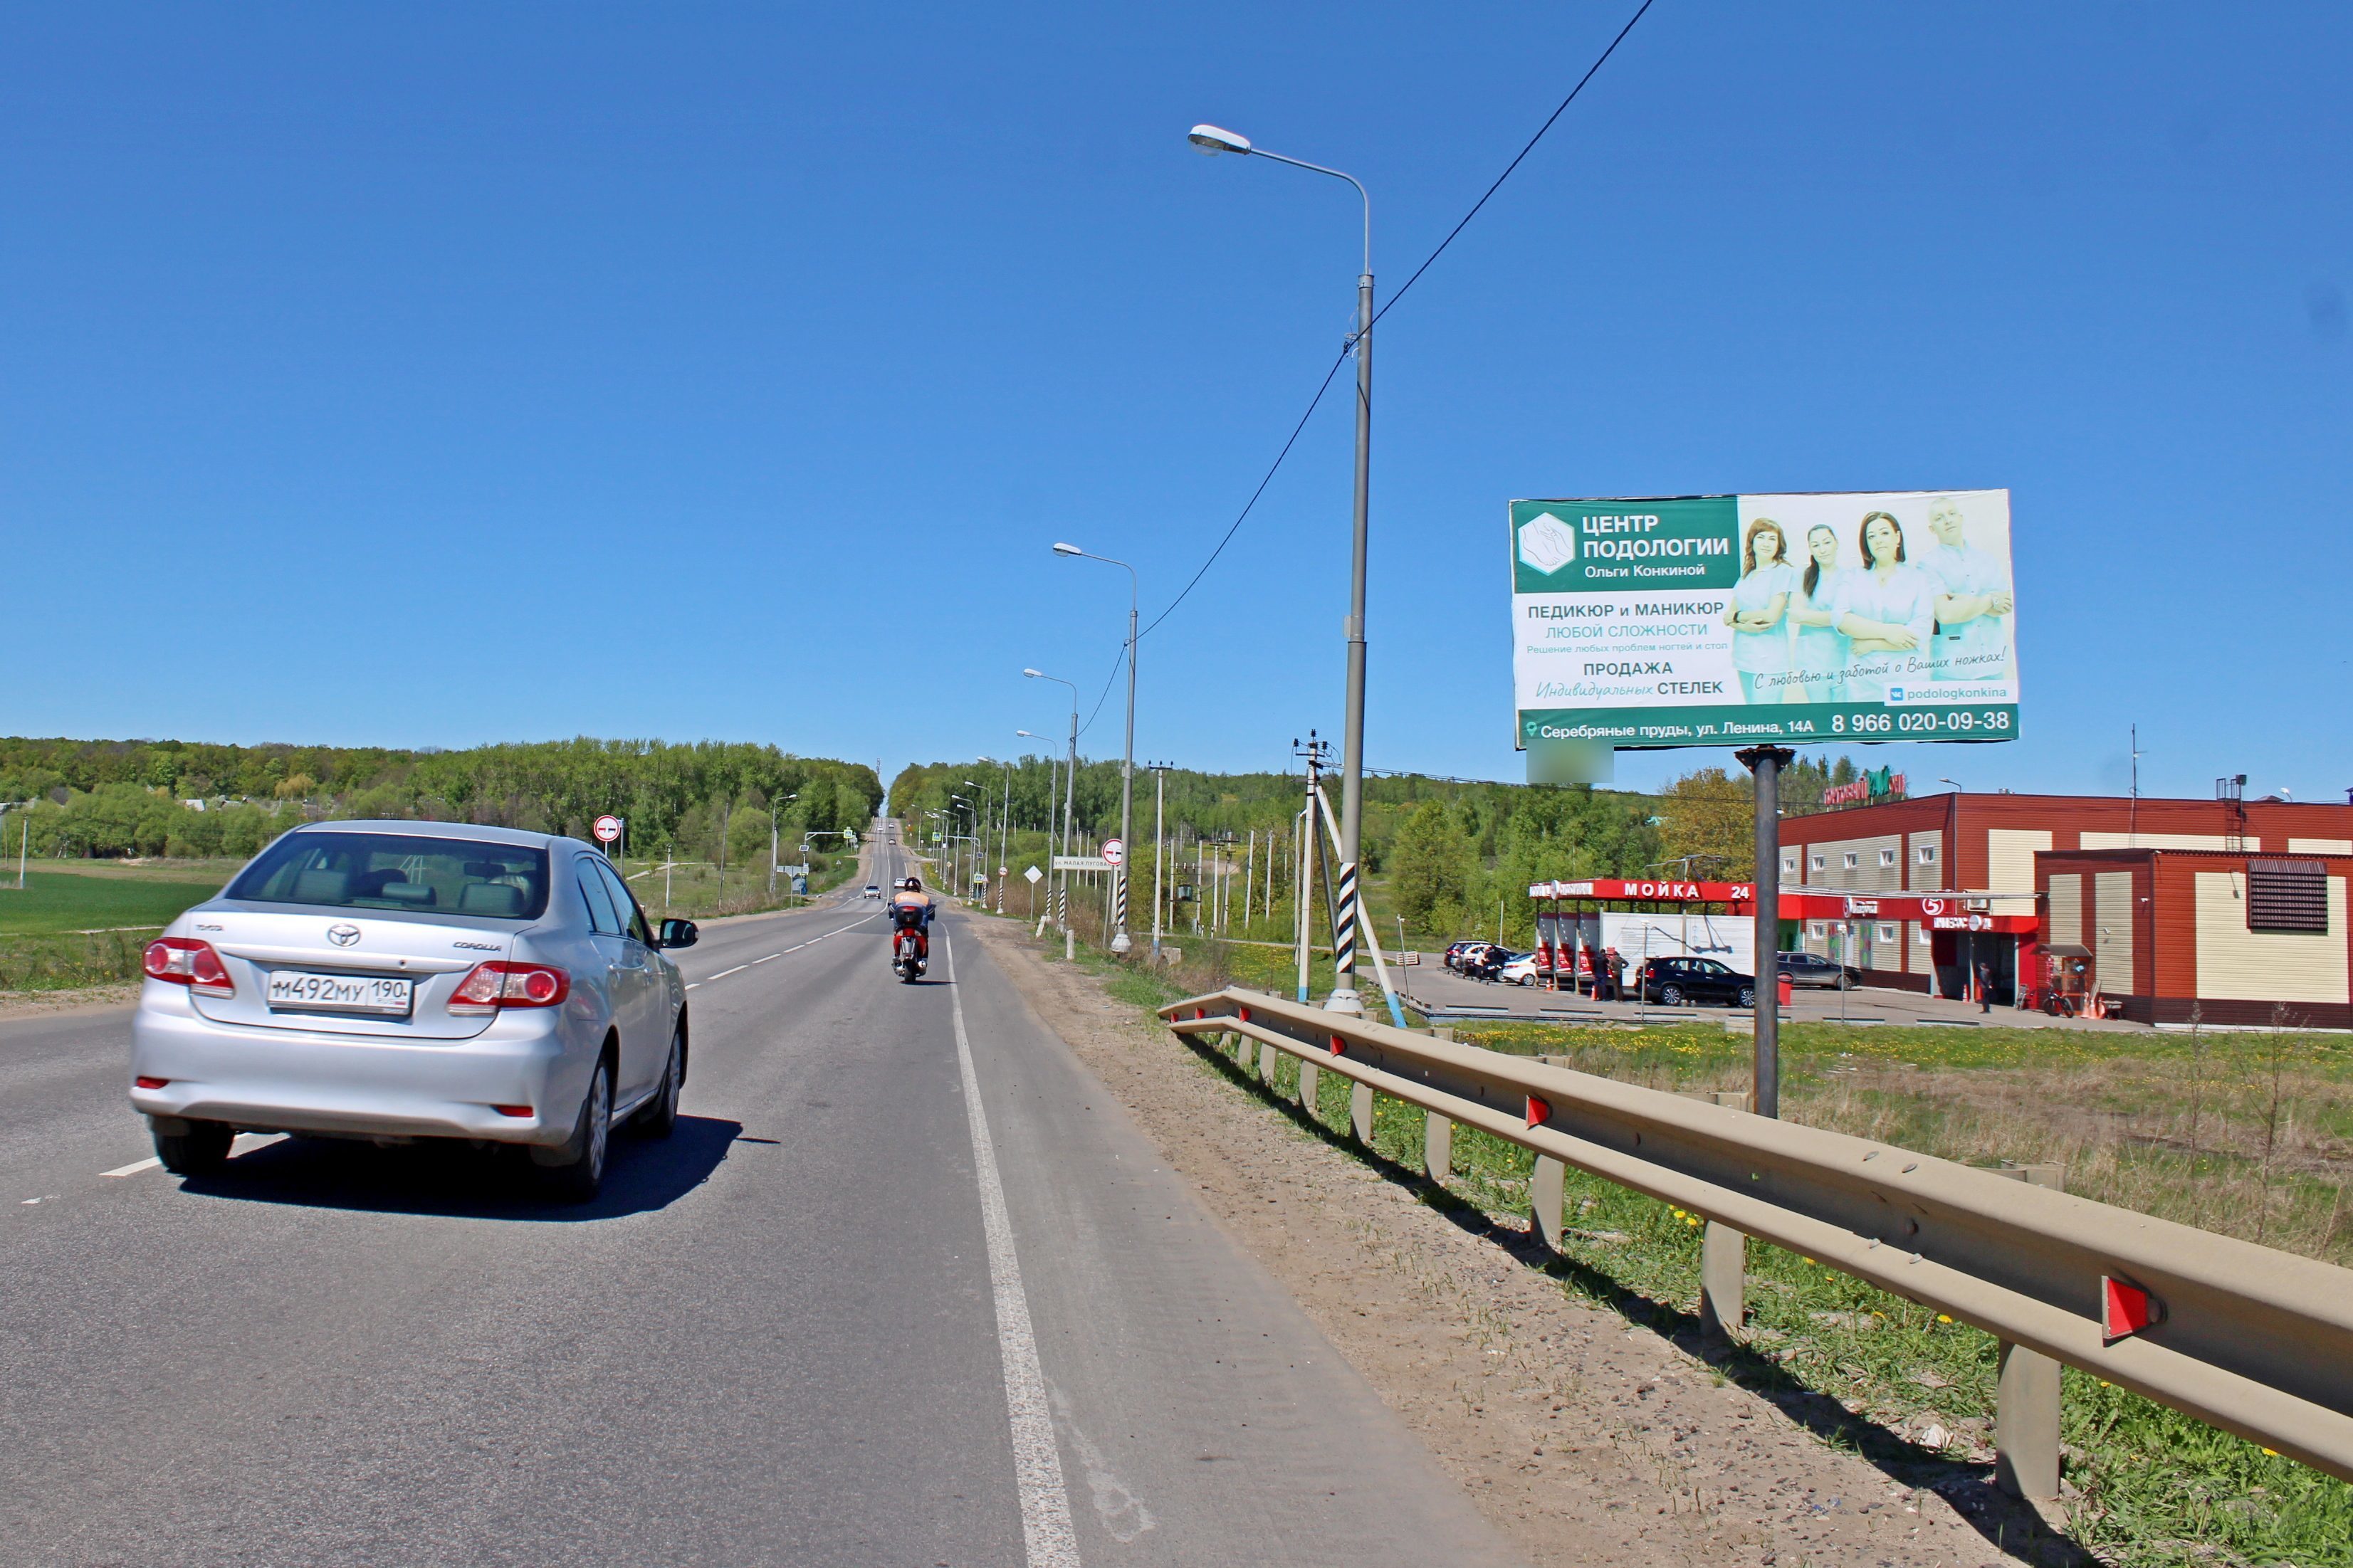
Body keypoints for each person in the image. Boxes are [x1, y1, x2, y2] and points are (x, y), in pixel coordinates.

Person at [1832, 511, 1937, 703]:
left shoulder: (1918, 578)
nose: (1878, 540)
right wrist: (1889, 631)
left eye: (1884, 533)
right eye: (1871, 536)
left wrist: (1871, 643)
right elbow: (1841, 619)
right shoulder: (1853, 577)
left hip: (1907, 679)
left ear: (1897, 538)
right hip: (1862, 681)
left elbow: (1920, 633)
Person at [1920, 496, 2014, 685]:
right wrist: (1989, 600)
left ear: (1961, 518)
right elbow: (1946, 614)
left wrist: (1966, 603)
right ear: (1932, 529)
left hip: (1993, 667)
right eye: (1939, 518)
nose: (1947, 520)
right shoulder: (1927, 565)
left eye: (1951, 514)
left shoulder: (1987, 560)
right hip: (1952, 670)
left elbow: (2006, 605)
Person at [1723, 517, 1797, 704]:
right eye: (1761, 537)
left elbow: (1772, 615)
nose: (1766, 543)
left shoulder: (1783, 572)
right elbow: (1726, 617)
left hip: (1770, 660)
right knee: (1752, 715)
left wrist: (1738, 618)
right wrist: (1745, 626)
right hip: (1744, 656)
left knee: (1767, 716)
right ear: (1752, 541)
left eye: (1772, 539)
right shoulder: (1746, 576)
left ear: (1779, 545)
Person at [1786, 522, 1850, 705]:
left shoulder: (1850, 576)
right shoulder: (1803, 575)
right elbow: (1794, 615)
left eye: (1827, 542)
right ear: (1810, 549)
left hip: (1844, 660)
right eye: (1816, 545)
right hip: (1812, 662)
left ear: (1836, 543)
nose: (1822, 549)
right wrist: (1837, 618)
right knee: (1822, 715)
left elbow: (1850, 619)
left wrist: (1809, 616)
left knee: (1844, 716)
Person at [889, 875, 936, 963]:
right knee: (925, 938)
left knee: (896, 935)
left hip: (901, 926)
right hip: (919, 927)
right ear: (918, 887)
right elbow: (931, 913)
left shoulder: (898, 897)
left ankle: (897, 955)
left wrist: (894, 921)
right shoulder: (925, 899)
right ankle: (924, 959)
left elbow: (892, 911)